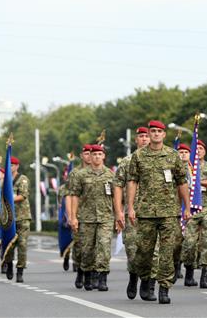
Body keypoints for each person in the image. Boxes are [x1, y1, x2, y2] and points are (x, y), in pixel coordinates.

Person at [126, 120, 191, 304]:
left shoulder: (173, 155)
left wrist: (186, 206)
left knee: (167, 252)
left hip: (169, 212)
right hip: (146, 212)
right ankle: (145, 280)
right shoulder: (138, 156)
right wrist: (130, 207)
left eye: (158, 131)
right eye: (152, 131)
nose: (155, 134)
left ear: (164, 135)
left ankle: (164, 288)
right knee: (144, 252)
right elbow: (132, 181)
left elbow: (182, 182)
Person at [113, 126, 153, 299]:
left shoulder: (160, 159)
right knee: (132, 248)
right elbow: (117, 185)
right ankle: (133, 276)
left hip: (154, 213)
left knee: (153, 250)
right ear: (136, 140)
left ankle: (147, 284)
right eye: (141, 136)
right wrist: (118, 211)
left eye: (147, 136)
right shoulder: (127, 161)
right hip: (132, 213)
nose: (144, 139)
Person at [70, 144, 115, 291]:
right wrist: (73, 217)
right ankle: (86, 274)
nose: (96, 157)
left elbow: (117, 197)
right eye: (93, 154)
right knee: (87, 249)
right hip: (86, 218)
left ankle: (102, 278)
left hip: (106, 218)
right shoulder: (81, 175)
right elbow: (75, 196)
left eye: (99, 154)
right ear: (90, 156)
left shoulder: (111, 175)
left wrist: (119, 215)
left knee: (104, 246)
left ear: (103, 156)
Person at [180, 140, 207, 289]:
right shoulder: (184, 168)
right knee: (189, 244)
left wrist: (197, 182)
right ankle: (189, 274)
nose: (199, 151)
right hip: (190, 210)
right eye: (196, 149)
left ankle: (205, 275)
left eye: (201, 149)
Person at [65, 144, 92, 289]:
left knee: (94, 246)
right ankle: (80, 271)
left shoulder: (101, 172)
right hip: (80, 215)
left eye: (91, 153)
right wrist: (71, 215)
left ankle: (93, 274)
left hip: (95, 215)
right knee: (80, 246)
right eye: (86, 153)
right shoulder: (75, 173)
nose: (89, 156)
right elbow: (69, 195)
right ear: (81, 156)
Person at [3, 157, 31, 283]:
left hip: (22, 217)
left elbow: (23, 195)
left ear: (17, 166)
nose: (11, 167)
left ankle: (20, 270)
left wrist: (9, 198)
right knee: (9, 245)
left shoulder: (22, 179)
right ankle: (8, 264)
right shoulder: (3, 181)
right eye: (9, 165)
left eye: (13, 165)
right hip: (8, 218)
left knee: (22, 245)